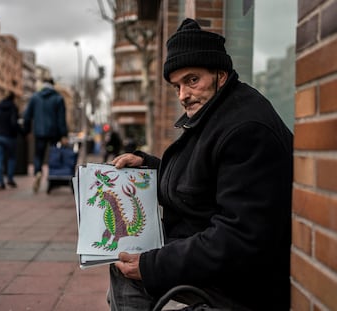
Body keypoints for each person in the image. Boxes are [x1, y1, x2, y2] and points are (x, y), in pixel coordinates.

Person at [109, 18, 294, 311]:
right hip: (222, 262)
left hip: (247, 284)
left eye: (192, 80)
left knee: (133, 270)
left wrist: (154, 264)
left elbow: (239, 237)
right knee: (124, 266)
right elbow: (200, 184)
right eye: (177, 86)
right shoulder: (218, 112)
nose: (183, 95)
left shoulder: (246, 129)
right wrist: (148, 168)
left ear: (221, 74)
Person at [23, 77, 68, 193]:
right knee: (53, 156)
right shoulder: (58, 98)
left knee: (38, 155)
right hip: (54, 133)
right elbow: (61, 118)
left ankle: (38, 172)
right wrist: (63, 135)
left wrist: (26, 130)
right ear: (53, 85)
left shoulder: (35, 97)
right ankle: (51, 180)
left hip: (39, 131)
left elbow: (27, 116)